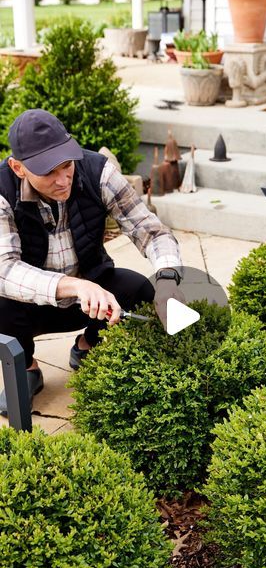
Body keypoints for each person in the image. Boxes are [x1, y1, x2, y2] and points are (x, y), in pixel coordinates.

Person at [0, 109, 184, 415]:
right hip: (27, 305)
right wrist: (72, 285)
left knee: (139, 288)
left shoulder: (99, 172)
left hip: (91, 299)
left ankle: (86, 347)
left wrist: (167, 277)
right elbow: (4, 270)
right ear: (18, 168)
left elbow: (152, 233)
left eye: (67, 165)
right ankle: (27, 367)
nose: (63, 180)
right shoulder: (1, 191)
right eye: (49, 172)